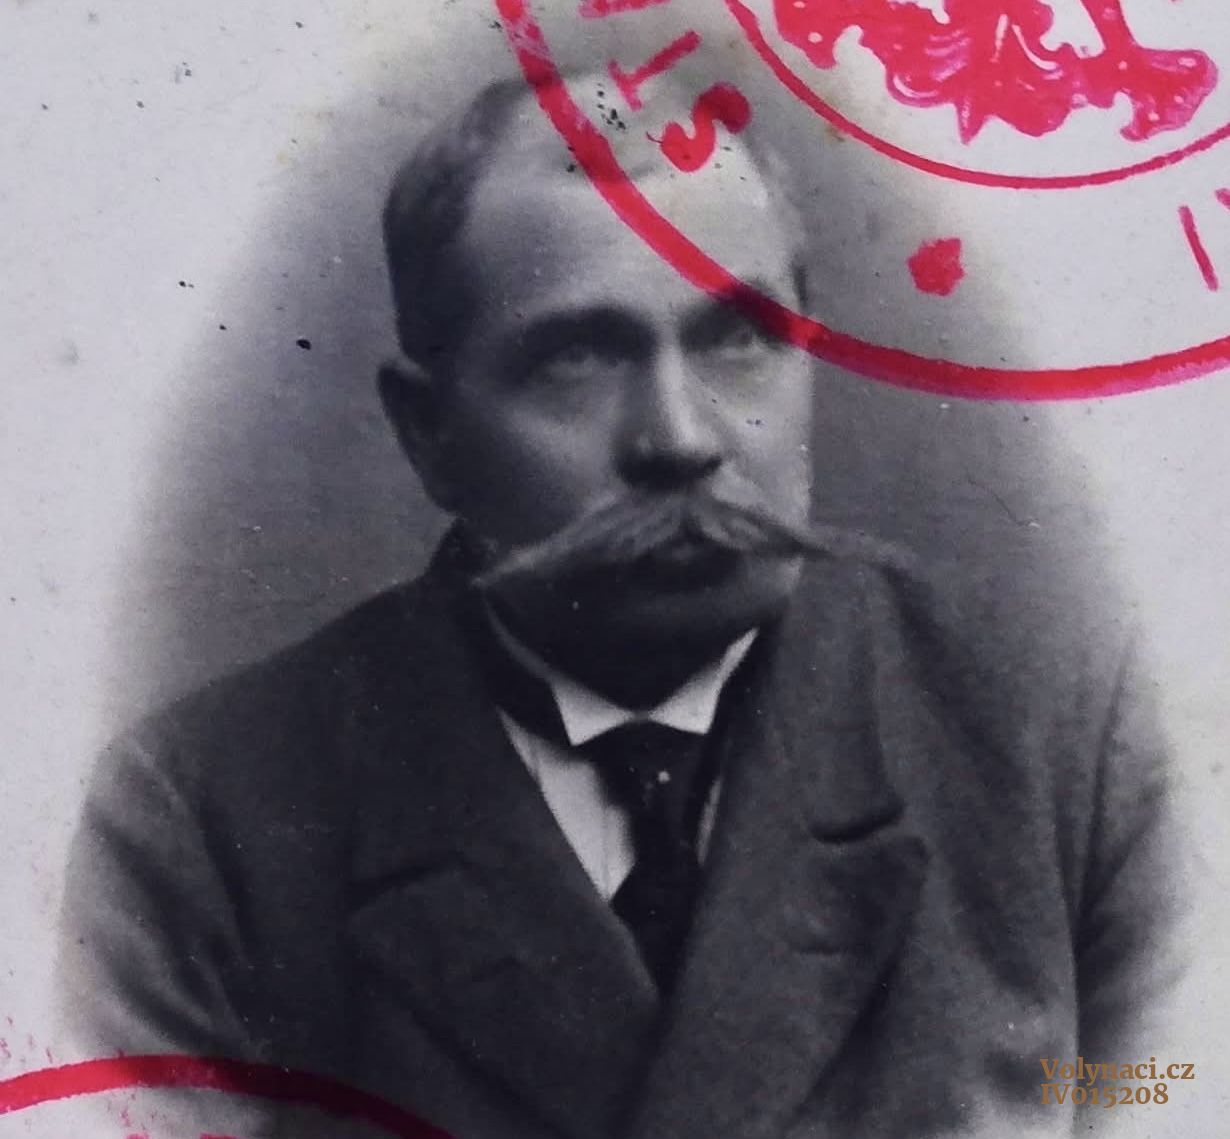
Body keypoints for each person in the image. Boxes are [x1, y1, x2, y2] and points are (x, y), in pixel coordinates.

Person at [59, 74, 1186, 1139]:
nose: (681, 440)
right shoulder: (198, 829)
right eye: (578, 359)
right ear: (429, 433)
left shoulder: (1060, 743)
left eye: (738, 340)